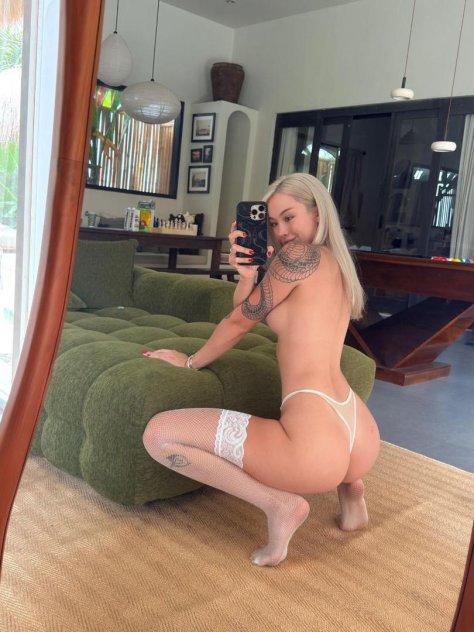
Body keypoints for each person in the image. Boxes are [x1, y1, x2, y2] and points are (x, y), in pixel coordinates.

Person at [142, 173, 380, 567]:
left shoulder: (298, 256)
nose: (281, 231)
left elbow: (239, 323)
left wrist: (190, 361)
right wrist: (248, 275)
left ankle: (278, 505)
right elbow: (253, 309)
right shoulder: (335, 262)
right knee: (337, 464)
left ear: (317, 214)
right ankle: (351, 492)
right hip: (358, 430)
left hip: (314, 439)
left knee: (159, 436)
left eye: (289, 217)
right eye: (271, 223)